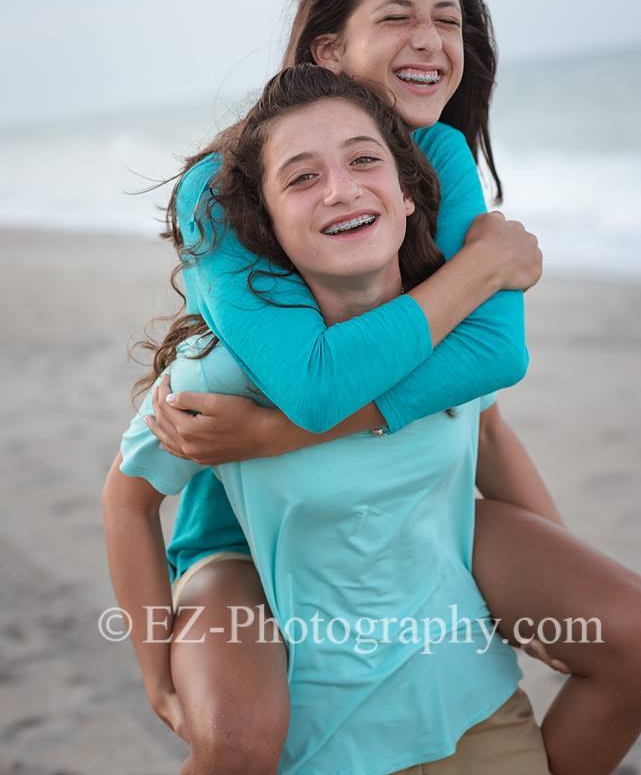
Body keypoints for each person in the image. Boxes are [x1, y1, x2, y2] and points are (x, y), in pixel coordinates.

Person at [105, 0, 641, 775]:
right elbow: (312, 385)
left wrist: (550, 569)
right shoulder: (226, 184)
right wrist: (487, 263)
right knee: (238, 738)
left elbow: (492, 361)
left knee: (626, 634)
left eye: (449, 18)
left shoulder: (437, 156)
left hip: (414, 486)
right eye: (396, 17)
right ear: (329, 46)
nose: (429, 41)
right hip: (245, 518)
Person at [105, 64, 552, 775]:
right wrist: (154, 667)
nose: (340, 189)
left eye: (364, 161)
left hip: (464, 696)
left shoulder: (453, 333)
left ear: (409, 197)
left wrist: (555, 605)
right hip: (313, 722)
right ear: (269, 228)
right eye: (302, 178)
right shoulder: (225, 374)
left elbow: (489, 431)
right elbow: (127, 497)